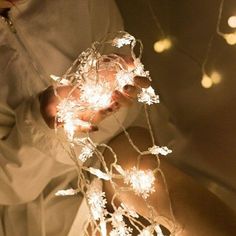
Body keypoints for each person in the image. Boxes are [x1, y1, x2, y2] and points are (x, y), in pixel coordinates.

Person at [0, 1, 236, 236]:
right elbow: (9, 188)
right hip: (46, 204)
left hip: (125, 144)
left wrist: (116, 84)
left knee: (144, 175)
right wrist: (44, 120)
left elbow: (125, 97)